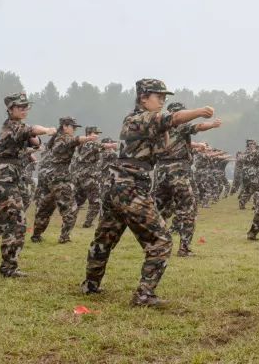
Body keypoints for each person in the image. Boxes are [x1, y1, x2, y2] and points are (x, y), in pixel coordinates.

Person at [81, 79, 215, 307]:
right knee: (161, 240)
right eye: (158, 96)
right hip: (130, 186)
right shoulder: (140, 118)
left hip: (117, 184)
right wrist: (199, 112)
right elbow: (173, 118)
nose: (162, 100)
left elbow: (172, 130)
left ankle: (91, 285)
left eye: (165, 97)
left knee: (104, 237)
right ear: (144, 98)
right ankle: (144, 295)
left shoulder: (143, 122)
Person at [0, 94, 57, 277]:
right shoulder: (12, 126)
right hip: (4, 179)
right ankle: (8, 267)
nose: (24, 109)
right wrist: (47, 129)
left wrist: (35, 137)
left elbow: (34, 141)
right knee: (16, 222)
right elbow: (34, 130)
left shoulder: (17, 127)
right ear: (10, 109)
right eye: (20, 107)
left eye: (26, 106)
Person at [153, 101, 221, 257]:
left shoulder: (159, 128)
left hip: (161, 171)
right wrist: (212, 124)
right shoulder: (182, 126)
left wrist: (197, 145)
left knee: (159, 210)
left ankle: (156, 246)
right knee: (188, 210)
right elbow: (198, 127)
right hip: (179, 171)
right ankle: (184, 248)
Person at [31, 117, 99, 244]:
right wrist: (89, 138)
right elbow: (76, 139)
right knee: (70, 209)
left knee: (45, 208)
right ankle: (64, 237)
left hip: (48, 178)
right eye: (73, 127)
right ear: (65, 126)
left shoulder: (56, 138)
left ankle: (36, 235)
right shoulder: (64, 138)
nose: (74, 130)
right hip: (59, 178)